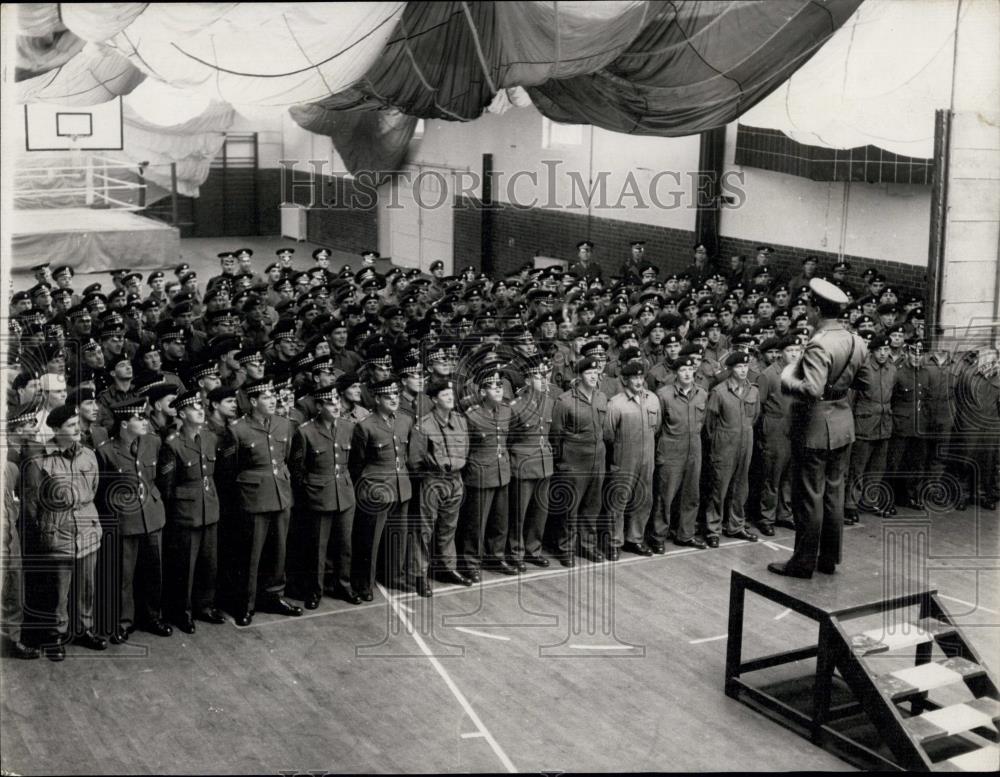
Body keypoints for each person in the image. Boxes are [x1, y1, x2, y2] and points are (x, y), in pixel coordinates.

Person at [769, 278, 866, 578]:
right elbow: (864, 383)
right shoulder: (856, 341)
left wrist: (788, 378)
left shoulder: (819, 344)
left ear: (816, 309)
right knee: (833, 495)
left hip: (814, 429)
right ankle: (828, 558)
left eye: (809, 306)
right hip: (842, 424)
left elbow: (811, 389)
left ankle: (802, 562)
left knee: (809, 497)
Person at [22, 406, 106, 660]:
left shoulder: (89, 455)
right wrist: (46, 530)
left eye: (77, 423)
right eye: (70, 425)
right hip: (58, 531)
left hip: (88, 529)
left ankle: (84, 629)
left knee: (86, 587)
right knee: (58, 592)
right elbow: (31, 505)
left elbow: (93, 488)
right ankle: (54, 636)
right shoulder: (39, 461)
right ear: (56, 430)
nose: (77, 428)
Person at [222, 378, 302, 626]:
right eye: (266, 397)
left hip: (280, 494)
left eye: (273, 396)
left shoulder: (284, 424)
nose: (273, 400)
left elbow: (285, 458)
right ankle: (245, 604)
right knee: (250, 556)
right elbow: (228, 471)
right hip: (253, 499)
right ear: (254, 401)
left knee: (278, 552)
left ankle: (273, 596)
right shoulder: (237, 430)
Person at [96, 397, 173, 643]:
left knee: (154, 572)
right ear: (123, 424)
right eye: (138, 418)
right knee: (123, 576)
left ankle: (152, 617)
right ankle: (122, 622)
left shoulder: (153, 442)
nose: (143, 421)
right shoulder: (106, 451)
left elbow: (159, 478)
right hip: (124, 520)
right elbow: (101, 492)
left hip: (151, 515)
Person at [158, 391, 226, 633]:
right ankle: (181, 612)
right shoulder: (173, 444)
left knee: (209, 563)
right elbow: (166, 487)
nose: (200, 410)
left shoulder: (209, 438)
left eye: (201, 405)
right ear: (182, 413)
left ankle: (204, 606)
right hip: (186, 513)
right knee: (184, 567)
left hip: (209, 507)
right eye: (193, 407)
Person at [289, 386, 361, 608]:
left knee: (344, 545)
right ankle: (314, 590)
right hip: (318, 496)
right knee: (317, 548)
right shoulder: (305, 431)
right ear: (319, 407)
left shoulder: (349, 427)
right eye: (330, 403)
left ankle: (343, 585)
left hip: (345, 494)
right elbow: (297, 469)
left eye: (337, 401)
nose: (336, 406)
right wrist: (311, 492)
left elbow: (356, 462)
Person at [349, 377, 415, 600]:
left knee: (398, 535)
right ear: (377, 399)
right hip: (376, 489)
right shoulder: (365, 426)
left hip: (401, 486)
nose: (394, 399)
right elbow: (356, 464)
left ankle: (394, 575)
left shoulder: (405, 420)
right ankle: (364, 583)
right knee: (370, 541)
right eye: (388, 396)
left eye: (396, 395)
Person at [412, 378, 471, 592]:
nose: (450, 398)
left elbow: (465, 449)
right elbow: (415, 461)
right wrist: (433, 475)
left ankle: (447, 567)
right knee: (424, 530)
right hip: (433, 479)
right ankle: (419, 574)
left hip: (455, 479)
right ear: (435, 399)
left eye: (451, 394)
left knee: (449, 527)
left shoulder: (461, 420)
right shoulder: (424, 425)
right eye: (445, 395)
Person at [550, 355, 609, 564]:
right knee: (570, 507)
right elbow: (555, 435)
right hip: (573, 460)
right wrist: (562, 463)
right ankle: (565, 547)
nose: (593, 376)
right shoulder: (565, 401)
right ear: (579, 375)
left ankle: (587, 545)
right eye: (588, 373)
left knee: (592, 505)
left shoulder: (602, 397)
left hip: (596, 459)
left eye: (596, 373)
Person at [458, 365, 515, 580]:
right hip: (480, 473)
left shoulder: (507, 410)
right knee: (476, 523)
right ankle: (471, 562)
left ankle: (496, 556)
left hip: (502, 471)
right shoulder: (471, 416)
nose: (499, 390)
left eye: (500, 386)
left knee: (500, 521)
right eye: (493, 387)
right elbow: (466, 447)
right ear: (482, 392)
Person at [605, 359, 661, 557]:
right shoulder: (616, 403)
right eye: (634, 378)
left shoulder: (653, 399)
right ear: (625, 380)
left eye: (641, 377)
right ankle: (614, 542)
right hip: (624, 457)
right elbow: (609, 434)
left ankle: (635, 539)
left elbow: (657, 428)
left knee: (643, 498)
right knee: (618, 499)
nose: (638, 381)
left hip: (647, 457)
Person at [704, 351, 760, 547]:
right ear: (730, 369)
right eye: (739, 367)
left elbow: (754, 417)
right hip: (724, 444)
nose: (743, 370)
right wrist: (721, 441)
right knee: (719, 487)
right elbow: (710, 425)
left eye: (746, 366)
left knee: (741, 487)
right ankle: (713, 528)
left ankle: (736, 525)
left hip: (746, 443)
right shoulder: (719, 392)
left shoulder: (753, 391)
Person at [506, 355, 556, 568]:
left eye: (546, 375)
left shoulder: (550, 402)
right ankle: (515, 553)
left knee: (540, 512)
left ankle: (533, 549)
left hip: (544, 463)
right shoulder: (515, 406)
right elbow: (508, 439)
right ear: (527, 380)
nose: (544, 379)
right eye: (538, 376)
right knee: (519, 513)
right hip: (524, 464)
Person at [844, 333, 896, 522]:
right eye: (879, 350)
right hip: (864, 423)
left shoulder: (892, 369)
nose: (883, 353)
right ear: (872, 351)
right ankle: (850, 504)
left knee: (877, 467)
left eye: (886, 349)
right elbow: (851, 400)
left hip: (884, 424)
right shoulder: (863, 369)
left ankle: (870, 500)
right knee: (858, 467)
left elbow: (894, 395)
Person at [755, 335, 802, 535]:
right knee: (772, 475)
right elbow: (759, 406)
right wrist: (762, 434)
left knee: (790, 475)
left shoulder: (801, 372)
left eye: (797, 350)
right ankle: (767, 516)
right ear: (781, 352)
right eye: (790, 350)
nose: (794, 354)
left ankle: (785, 514)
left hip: (796, 425)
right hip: (775, 427)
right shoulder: (768, 374)